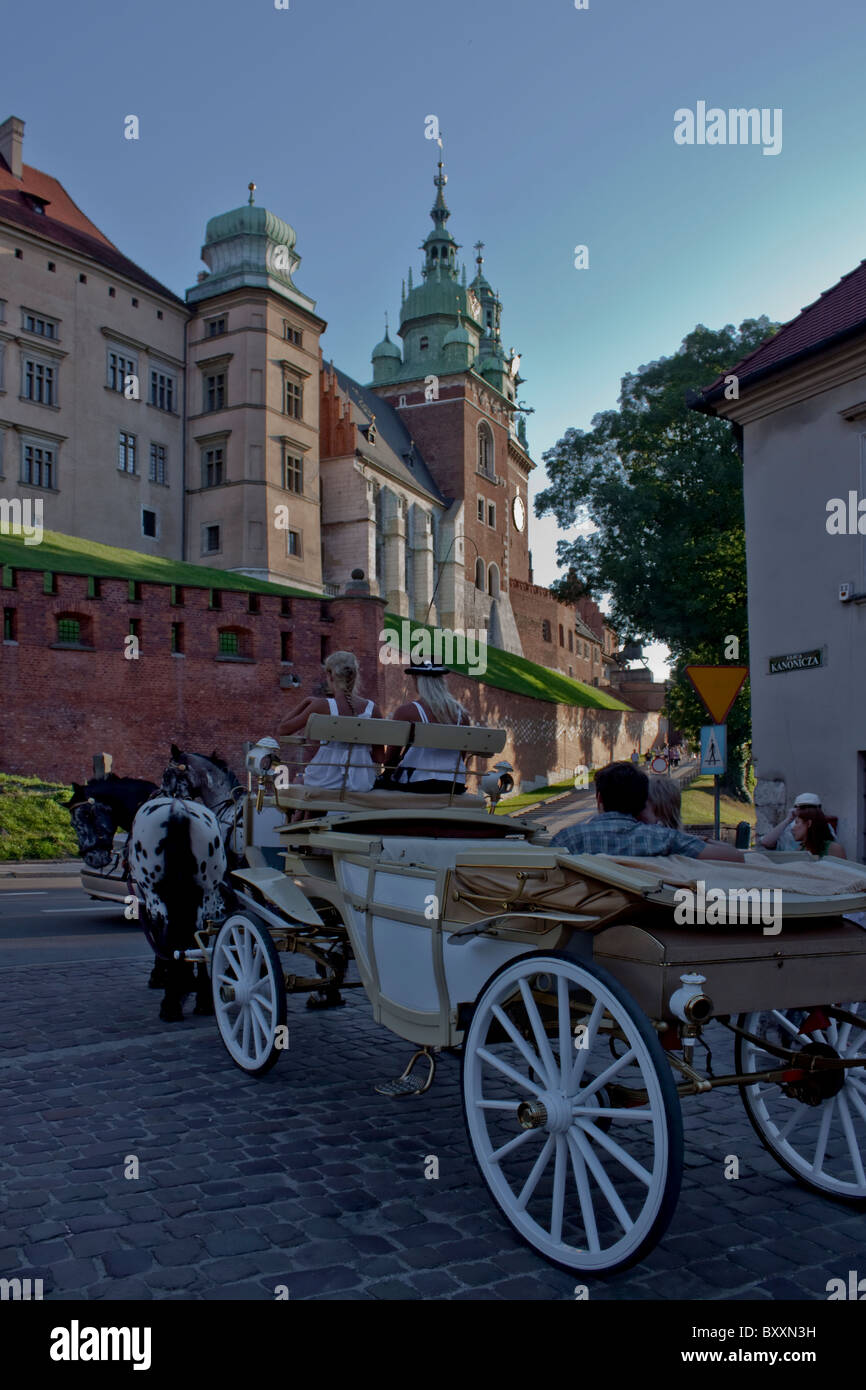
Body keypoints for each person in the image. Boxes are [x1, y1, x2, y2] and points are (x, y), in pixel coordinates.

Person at [551, 761, 744, 861]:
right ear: (644, 801)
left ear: (599, 798)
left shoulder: (567, 839)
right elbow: (735, 857)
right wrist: (700, 840)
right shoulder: (664, 839)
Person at [276, 650, 385, 791]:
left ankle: (303, 814)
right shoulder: (373, 709)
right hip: (361, 782)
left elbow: (283, 729)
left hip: (325, 779)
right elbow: (379, 757)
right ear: (355, 676)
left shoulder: (322, 706)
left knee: (299, 780)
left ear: (331, 677)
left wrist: (306, 702)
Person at [383, 662, 470, 794]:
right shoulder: (461, 715)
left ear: (417, 680)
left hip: (416, 783)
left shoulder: (406, 711)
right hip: (454, 784)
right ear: (441, 681)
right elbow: (461, 757)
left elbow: (390, 758)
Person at [759, 792, 837, 851]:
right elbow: (766, 842)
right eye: (803, 808)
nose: (808, 811)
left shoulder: (825, 827)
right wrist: (787, 820)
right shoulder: (789, 828)